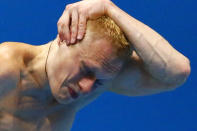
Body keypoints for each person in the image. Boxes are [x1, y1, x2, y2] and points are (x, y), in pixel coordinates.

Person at [0, 0, 190, 131]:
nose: (87, 87)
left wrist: (110, 8)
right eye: (86, 69)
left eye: (98, 81)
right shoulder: (6, 67)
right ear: (64, 37)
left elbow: (177, 71)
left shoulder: (99, 78)